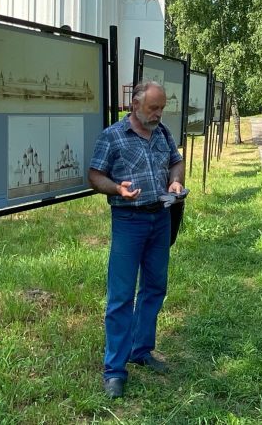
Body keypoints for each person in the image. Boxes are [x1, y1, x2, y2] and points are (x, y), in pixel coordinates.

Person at [88, 81, 186, 399]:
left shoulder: (162, 133)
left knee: (155, 287)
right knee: (121, 295)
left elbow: (176, 160)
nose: (158, 114)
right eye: (153, 108)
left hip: (160, 218)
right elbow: (95, 175)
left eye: (161, 108)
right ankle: (114, 370)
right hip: (128, 221)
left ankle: (141, 350)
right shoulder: (113, 136)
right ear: (135, 104)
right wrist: (117, 189)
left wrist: (175, 182)